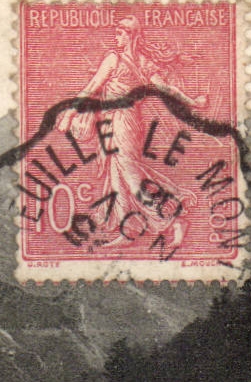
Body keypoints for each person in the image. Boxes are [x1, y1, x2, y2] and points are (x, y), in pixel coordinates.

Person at [53, 17, 207, 245]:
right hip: (112, 123)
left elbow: (92, 88)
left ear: (131, 35)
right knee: (117, 177)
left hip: (125, 123)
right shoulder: (132, 61)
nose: (116, 37)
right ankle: (129, 231)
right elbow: (94, 88)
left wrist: (68, 115)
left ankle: (173, 220)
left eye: (120, 33)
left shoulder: (118, 60)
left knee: (131, 176)